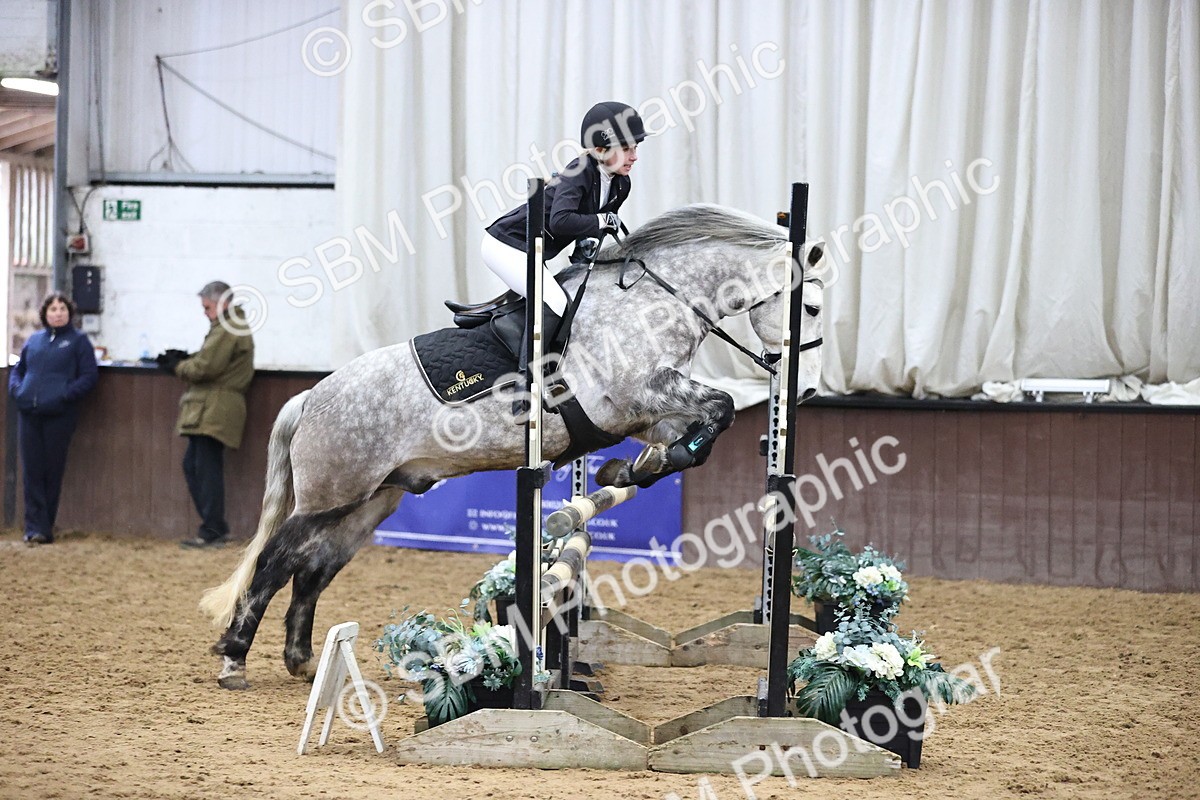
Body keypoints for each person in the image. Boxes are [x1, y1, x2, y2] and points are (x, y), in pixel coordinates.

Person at [483, 101, 646, 335]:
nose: (634, 157)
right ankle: (528, 360)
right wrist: (602, 221)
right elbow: (560, 221)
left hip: (534, 250)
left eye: (636, 148)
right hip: (506, 246)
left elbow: (590, 226)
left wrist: (587, 245)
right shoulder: (578, 171)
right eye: (626, 149)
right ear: (600, 149)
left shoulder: (621, 184)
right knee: (556, 303)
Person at [157, 281, 254, 549]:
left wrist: (178, 366)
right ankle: (214, 527)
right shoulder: (227, 327)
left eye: (207, 307)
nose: (205, 312)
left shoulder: (227, 329)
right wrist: (187, 359)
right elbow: (209, 361)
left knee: (204, 469)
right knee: (197, 466)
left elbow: (205, 368)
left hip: (215, 407)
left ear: (222, 303)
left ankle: (212, 530)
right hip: (212, 406)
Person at [8, 293, 98, 545]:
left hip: (59, 414)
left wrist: (64, 395)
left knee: (51, 470)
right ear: (45, 314)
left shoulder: (78, 342)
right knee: (32, 471)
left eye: (62, 309)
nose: (58, 313)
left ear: (69, 313)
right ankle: (33, 527)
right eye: (53, 309)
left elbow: (89, 376)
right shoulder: (34, 340)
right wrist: (17, 390)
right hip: (29, 412)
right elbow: (19, 370)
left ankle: (44, 526)